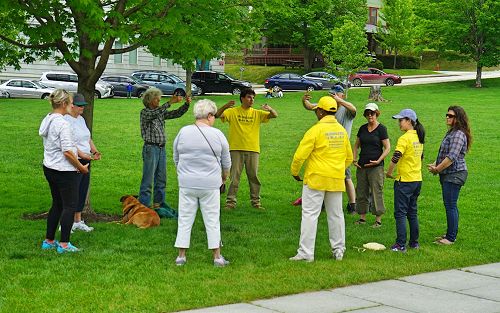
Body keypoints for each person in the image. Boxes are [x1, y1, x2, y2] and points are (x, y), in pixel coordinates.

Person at [290, 96, 353, 262]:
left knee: (310, 215)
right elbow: (349, 157)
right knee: (336, 215)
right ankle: (339, 250)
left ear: (320, 111)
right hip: (336, 179)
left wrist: (295, 172)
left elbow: (299, 156)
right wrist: (338, 169)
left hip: (316, 179)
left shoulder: (315, 130)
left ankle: (306, 253)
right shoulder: (342, 131)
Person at [173, 99, 231, 267]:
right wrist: (224, 177)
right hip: (210, 184)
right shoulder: (218, 134)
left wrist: (182, 173)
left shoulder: (183, 132)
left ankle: (181, 256)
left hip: (187, 183)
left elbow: (176, 157)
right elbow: (226, 162)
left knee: (185, 219)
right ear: (209, 115)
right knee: (212, 220)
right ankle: (217, 257)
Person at [39, 89, 89, 254]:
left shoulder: (48, 119)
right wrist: (80, 167)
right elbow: (67, 151)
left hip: (50, 168)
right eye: (70, 102)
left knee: (57, 204)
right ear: (63, 104)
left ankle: (49, 240)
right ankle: (64, 244)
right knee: (69, 206)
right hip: (64, 171)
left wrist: (83, 155)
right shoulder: (63, 123)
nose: (72, 105)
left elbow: (69, 146)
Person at [215, 88, 278, 210]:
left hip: (253, 149)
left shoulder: (257, 113)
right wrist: (226, 106)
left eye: (253, 98)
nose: (252, 100)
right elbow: (217, 115)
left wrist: (270, 109)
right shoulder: (232, 112)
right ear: (242, 98)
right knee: (234, 177)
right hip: (236, 149)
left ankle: (256, 202)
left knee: (253, 177)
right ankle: (230, 203)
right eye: (249, 97)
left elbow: (274, 115)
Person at [299, 85, 357, 214]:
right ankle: (323, 202)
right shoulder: (326, 107)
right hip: (325, 148)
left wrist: (340, 100)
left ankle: (353, 204)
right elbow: (309, 106)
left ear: (342, 95)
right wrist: (304, 100)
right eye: (332, 95)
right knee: (324, 174)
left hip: (340, 149)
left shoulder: (346, 110)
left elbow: (354, 109)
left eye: (336, 94)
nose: (333, 97)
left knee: (346, 177)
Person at [139, 88, 191, 208]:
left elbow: (176, 113)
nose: (159, 100)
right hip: (150, 149)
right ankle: (144, 206)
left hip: (161, 149)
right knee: (148, 179)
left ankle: (159, 204)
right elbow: (155, 113)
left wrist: (186, 104)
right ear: (150, 100)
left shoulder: (159, 112)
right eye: (157, 99)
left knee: (161, 179)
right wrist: (170, 102)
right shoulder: (145, 112)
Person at [428, 106, 471, 245]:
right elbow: (445, 154)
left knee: (451, 205)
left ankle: (450, 238)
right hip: (449, 174)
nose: (447, 117)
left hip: (455, 174)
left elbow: (451, 157)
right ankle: (450, 234)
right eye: (447, 115)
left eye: (450, 116)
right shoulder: (452, 132)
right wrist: (435, 164)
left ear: (457, 118)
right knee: (450, 205)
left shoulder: (458, 134)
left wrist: (437, 169)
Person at [386, 109, 425, 252]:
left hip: (404, 181)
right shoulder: (419, 137)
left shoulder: (404, 138)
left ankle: (400, 244)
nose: (399, 123)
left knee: (400, 213)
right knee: (412, 212)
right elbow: (420, 158)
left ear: (409, 121)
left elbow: (395, 157)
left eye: (401, 120)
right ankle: (414, 243)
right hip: (417, 180)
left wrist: (389, 173)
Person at [64, 93, 101, 232]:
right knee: (72, 191)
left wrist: (95, 151)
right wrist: (82, 155)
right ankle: (65, 222)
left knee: (82, 189)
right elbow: (70, 143)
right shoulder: (66, 120)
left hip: (86, 158)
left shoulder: (81, 119)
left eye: (83, 105)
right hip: (75, 160)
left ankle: (77, 221)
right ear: (71, 105)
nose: (82, 108)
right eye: (79, 106)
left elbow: (88, 138)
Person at [353, 103, 390, 227]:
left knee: (376, 191)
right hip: (362, 166)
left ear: (377, 114)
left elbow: (387, 147)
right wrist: (354, 159)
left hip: (376, 167)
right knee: (361, 191)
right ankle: (362, 218)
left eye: (372, 113)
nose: (370, 115)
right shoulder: (362, 128)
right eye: (367, 113)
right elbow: (356, 145)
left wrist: (379, 160)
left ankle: (378, 220)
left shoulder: (381, 129)